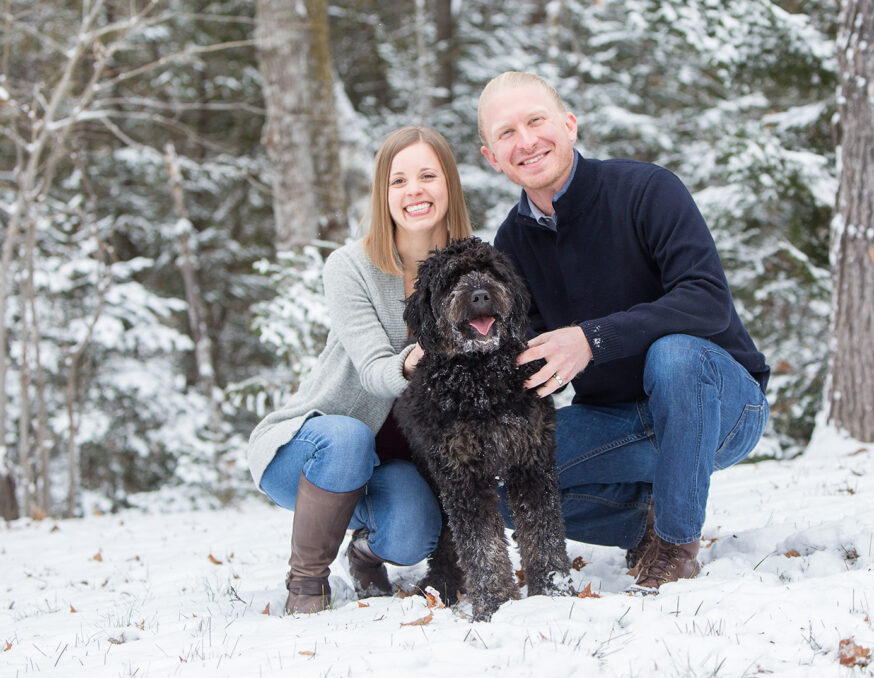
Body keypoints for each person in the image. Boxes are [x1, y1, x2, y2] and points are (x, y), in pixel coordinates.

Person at [478, 71, 771, 594]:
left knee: (675, 355)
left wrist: (591, 339)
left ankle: (677, 547)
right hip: (616, 419)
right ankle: (643, 525)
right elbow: (526, 354)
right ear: (491, 157)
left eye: (536, 120)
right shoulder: (512, 241)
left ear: (569, 125)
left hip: (718, 404)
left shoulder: (646, 189)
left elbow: (706, 300)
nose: (525, 141)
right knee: (499, 477)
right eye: (506, 134)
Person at [247, 126, 474, 613]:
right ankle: (306, 584)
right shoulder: (350, 266)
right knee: (347, 436)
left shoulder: (476, 269)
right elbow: (374, 368)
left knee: (414, 536)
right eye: (398, 180)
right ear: (383, 193)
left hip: (390, 467)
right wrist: (422, 357)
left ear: (449, 185)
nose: (414, 190)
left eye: (428, 175)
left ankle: (365, 553)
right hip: (315, 453)